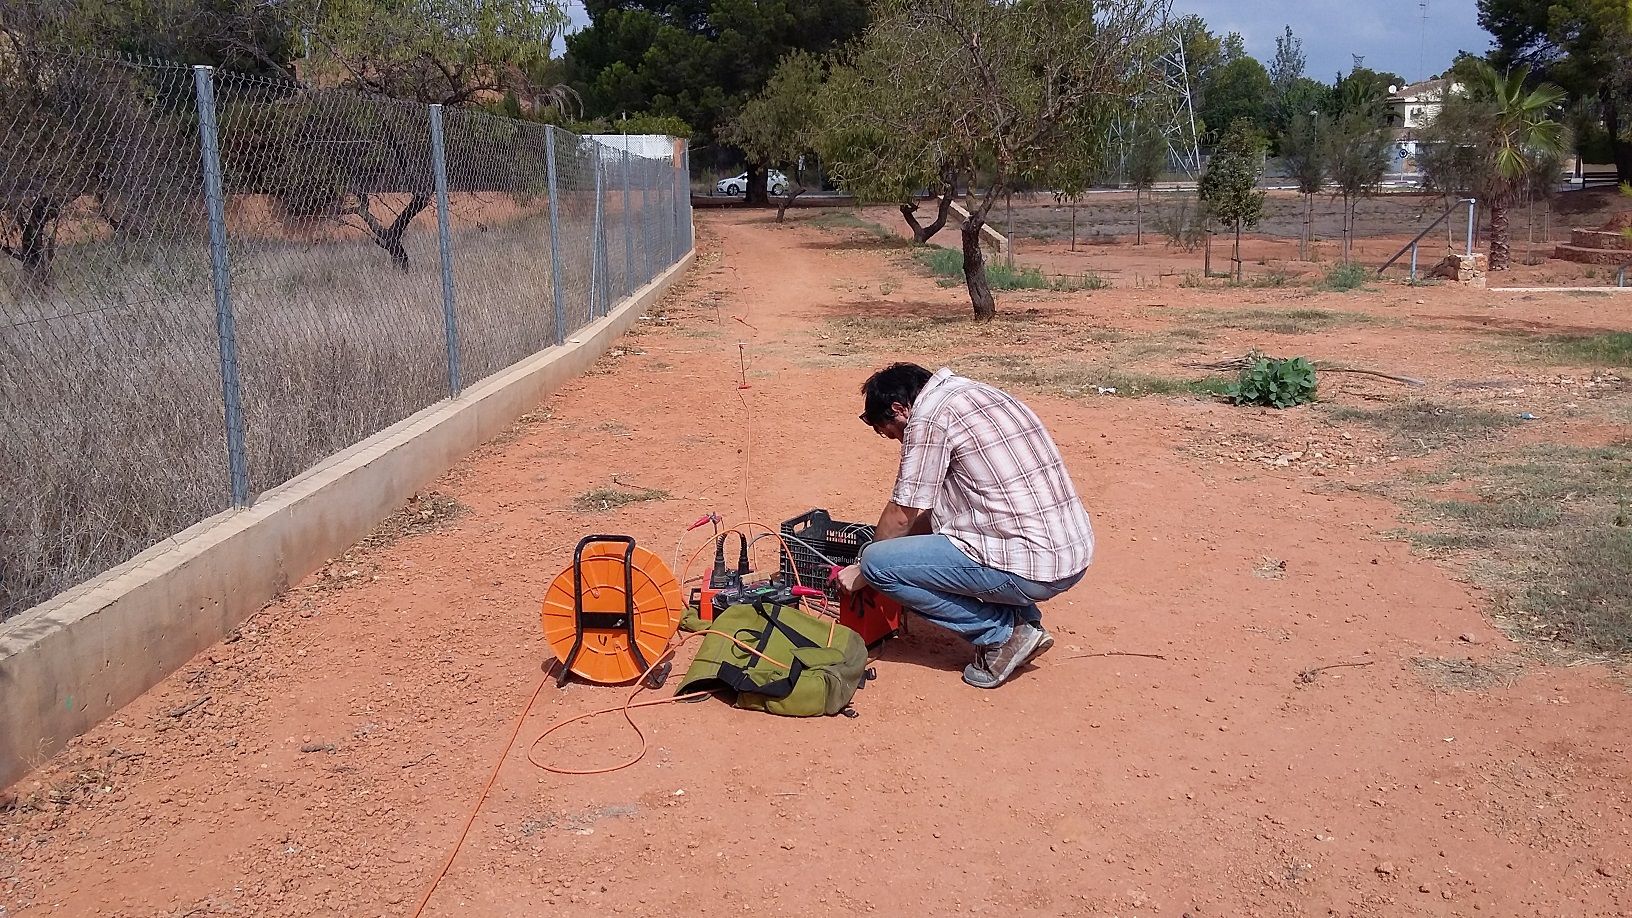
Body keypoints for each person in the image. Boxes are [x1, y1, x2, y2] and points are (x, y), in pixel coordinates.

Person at [834, 363, 1094, 689]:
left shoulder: (928, 417)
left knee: (878, 564)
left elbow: (903, 513)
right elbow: (935, 515)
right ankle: (1026, 622)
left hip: (1033, 566)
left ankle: (1002, 635)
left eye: (894, 433)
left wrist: (865, 566)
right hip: (1070, 553)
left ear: (900, 410)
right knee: (948, 541)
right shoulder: (979, 394)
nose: (900, 442)